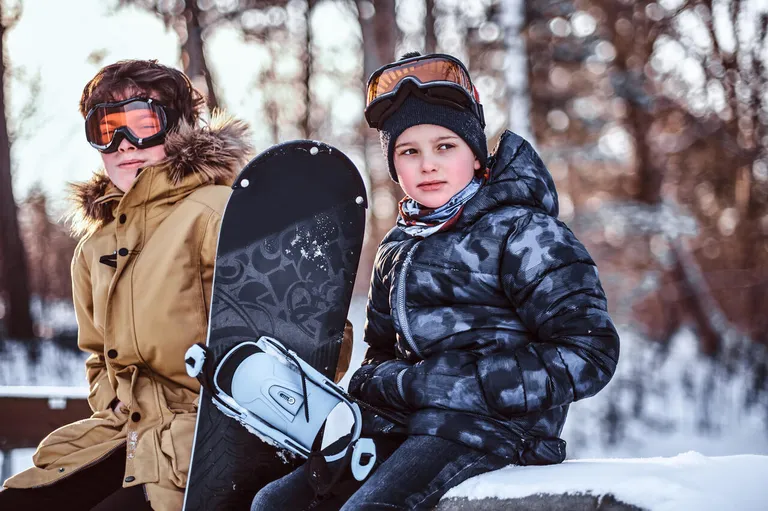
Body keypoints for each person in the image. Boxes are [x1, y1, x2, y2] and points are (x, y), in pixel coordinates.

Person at [251, 52, 621, 511]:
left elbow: (590, 352)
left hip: (495, 430)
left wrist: (463, 384)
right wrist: (392, 384)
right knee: (274, 503)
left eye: (445, 146)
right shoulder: (397, 245)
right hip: (404, 425)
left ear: (476, 155)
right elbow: (380, 352)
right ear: (394, 165)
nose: (427, 164)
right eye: (409, 151)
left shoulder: (525, 232)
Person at [0, 59, 352, 511]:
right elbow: (98, 358)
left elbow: (317, 339)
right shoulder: (94, 248)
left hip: (207, 448)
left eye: (143, 122)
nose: (124, 143)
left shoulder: (221, 214)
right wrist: (115, 404)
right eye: (106, 128)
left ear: (179, 127)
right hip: (126, 437)